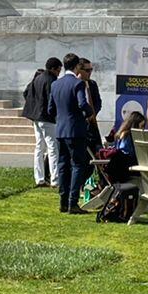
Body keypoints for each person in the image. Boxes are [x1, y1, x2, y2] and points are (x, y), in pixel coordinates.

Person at [51, 58, 95, 214]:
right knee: (78, 165)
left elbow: (51, 108)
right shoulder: (78, 84)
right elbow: (82, 103)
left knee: (63, 165)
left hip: (61, 130)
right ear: (77, 66)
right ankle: (72, 202)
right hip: (75, 130)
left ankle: (63, 201)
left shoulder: (55, 84)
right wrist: (89, 114)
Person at [21, 57, 62, 188]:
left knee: (39, 147)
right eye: (58, 70)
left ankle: (39, 178)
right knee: (53, 148)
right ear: (54, 69)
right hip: (46, 118)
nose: (59, 73)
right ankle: (55, 179)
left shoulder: (38, 77)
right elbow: (53, 100)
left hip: (35, 117)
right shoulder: (51, 80)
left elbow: (26, 92)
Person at [82, 60, 104, 153]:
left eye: (91, 69)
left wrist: (92, 114)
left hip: (91, 121)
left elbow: (98, 102)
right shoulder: (74, 84)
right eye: (87, 70)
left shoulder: (92, 84)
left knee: (97, 147)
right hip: (79, 123)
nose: (90, 72)